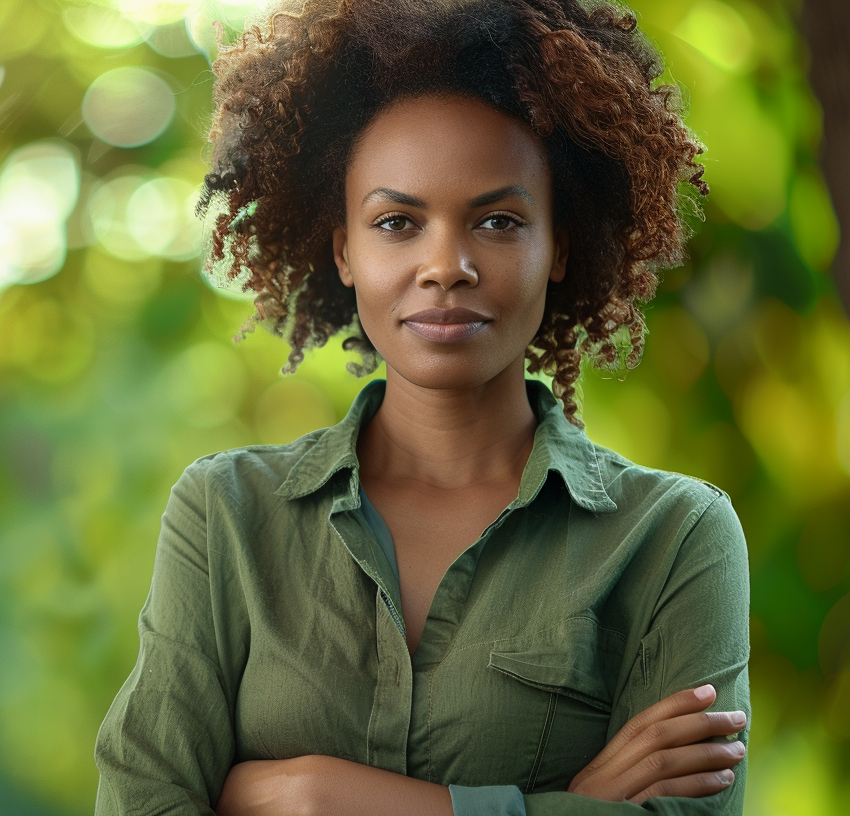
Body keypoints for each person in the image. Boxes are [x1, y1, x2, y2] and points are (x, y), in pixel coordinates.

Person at [93, 0, 751, 814]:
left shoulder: (672, 539)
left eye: (500, 221)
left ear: (561, 248)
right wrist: (555, 805)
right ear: (344, 249)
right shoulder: (225, 518)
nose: (447, 266)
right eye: (398, 223)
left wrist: (310, 795)